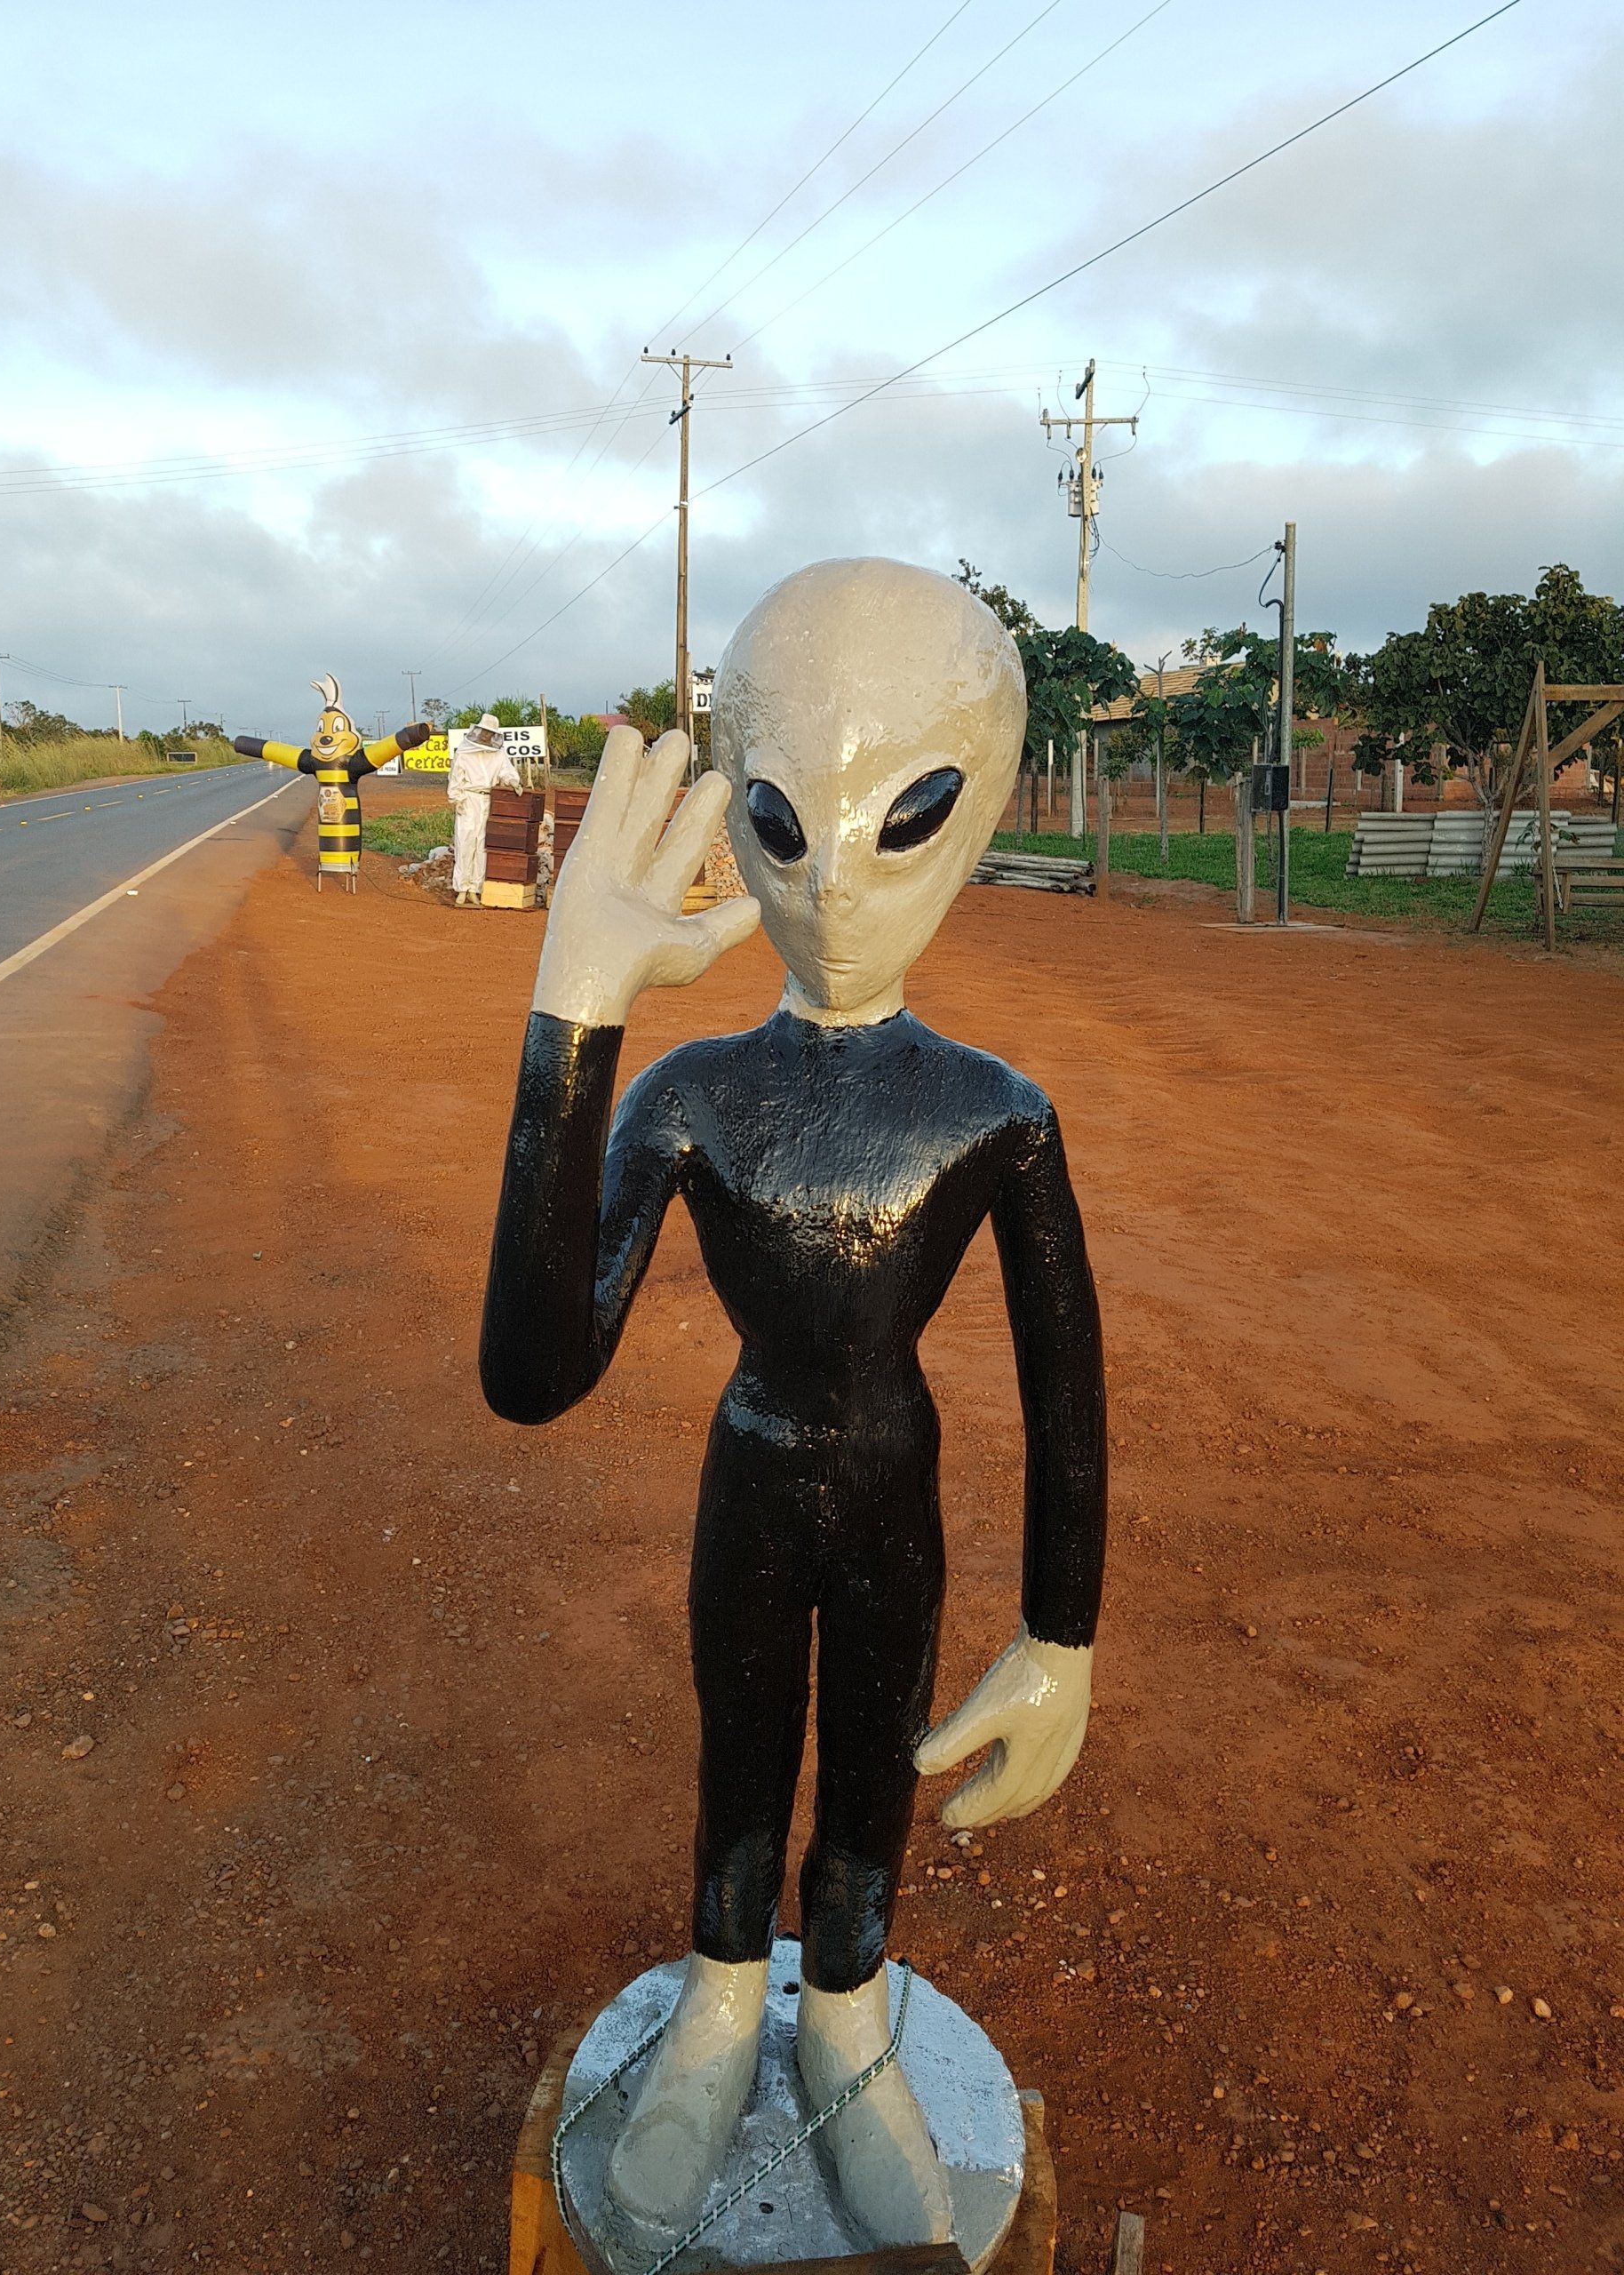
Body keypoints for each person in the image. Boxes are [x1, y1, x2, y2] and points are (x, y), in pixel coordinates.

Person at [479, 560, 1106, 2248]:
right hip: (752, 1480)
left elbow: (1068, 1386)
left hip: (891, 1488)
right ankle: (718, 1995)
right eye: (779, 819)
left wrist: (1063, 1634)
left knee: (873, 1772)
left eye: (905, 819)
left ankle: (846, 2013)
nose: (831, 885)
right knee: (742, 1752)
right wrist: (576, 1014)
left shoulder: (994, 1110)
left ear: (984, 811)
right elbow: (533, 1375)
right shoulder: (693, 1090)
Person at [233, 675, 427, 890]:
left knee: (340, 837)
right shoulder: (318, 761)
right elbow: (278, 751)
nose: (326, 737)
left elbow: (386, 748)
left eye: (336, 728)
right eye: (322, 728)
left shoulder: (351, 762)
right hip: (330, 824)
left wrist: (412, 735)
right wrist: (246, 745)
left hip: (345, 827)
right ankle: (338, 867)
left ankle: (345, 866)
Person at [449, 718, 521, 906]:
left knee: (483, 845)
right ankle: (462, 889)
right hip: (468, 799)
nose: (486, 735)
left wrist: (513, 781)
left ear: (494, 735)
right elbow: (456, 778)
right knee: (465, 842)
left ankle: (475, 889)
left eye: (490, 732)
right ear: (478, 731)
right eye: (484, 731)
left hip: (489, 800)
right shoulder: (464, 752)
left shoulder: (498, 753)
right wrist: (456, 799)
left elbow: (506, 771)